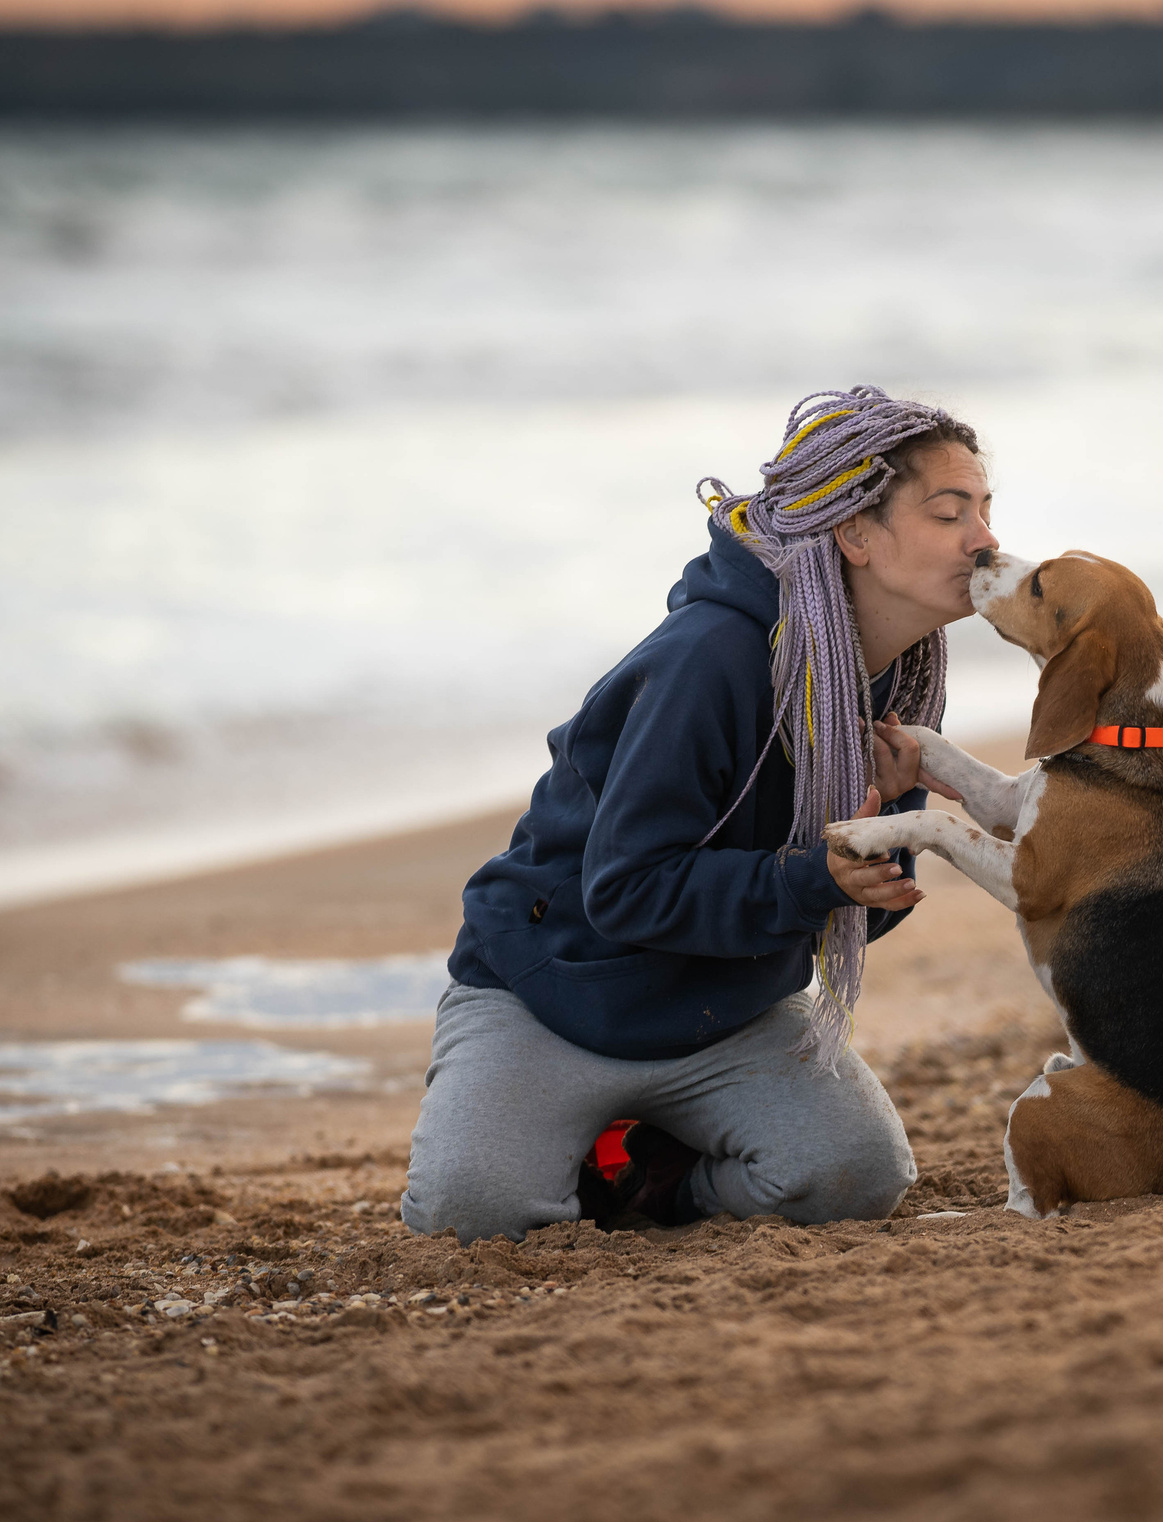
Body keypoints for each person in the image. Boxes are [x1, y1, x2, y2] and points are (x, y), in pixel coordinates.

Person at [399, 386, 996, 1244]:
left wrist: (886, 818)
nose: (985, 538)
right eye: (951, 513)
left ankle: (653, 1167)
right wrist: (807, 877)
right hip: (557, 991)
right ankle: (570, 1129)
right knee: (472, 1217)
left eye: (984, 507)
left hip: (723, 1009)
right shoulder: (708, 658)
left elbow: (839, 917)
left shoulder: (888, 670)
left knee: (856, 1174)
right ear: (854, 534)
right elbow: (628, 891)